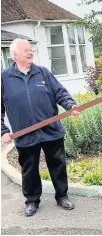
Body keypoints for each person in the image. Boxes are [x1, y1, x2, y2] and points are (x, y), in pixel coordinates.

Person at [1, 39, 80, 216]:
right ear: (15, 55)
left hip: (51, 130)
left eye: (31, 49)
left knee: (58, 165)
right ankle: (31, 201)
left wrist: (70, 105)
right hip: (25, 134)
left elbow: (60, 92)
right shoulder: (4, 77)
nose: (30, 52)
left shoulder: (42, 72)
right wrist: (3, 131)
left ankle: (62, 196)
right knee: (29, 168)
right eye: (25, 50)